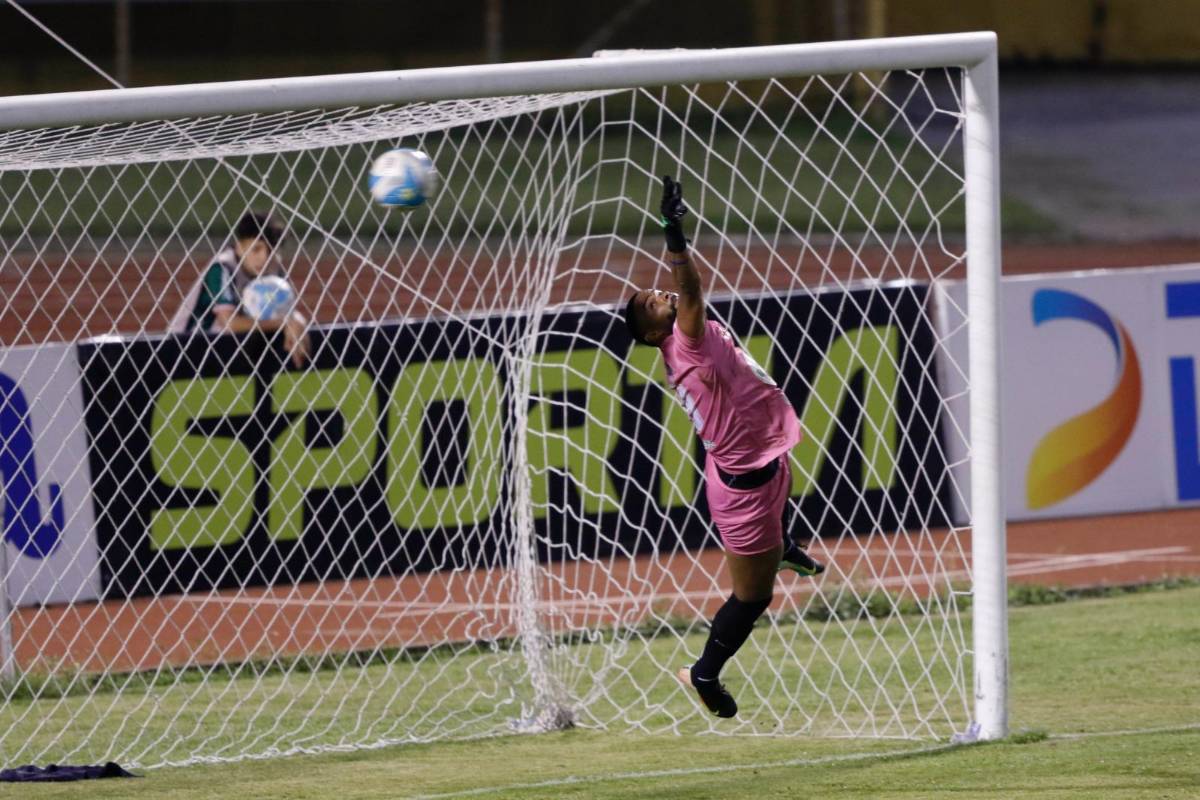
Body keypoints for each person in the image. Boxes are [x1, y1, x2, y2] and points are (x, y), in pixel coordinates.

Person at [624, 176, 825, 718]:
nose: (659, 295)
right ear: (650, 335)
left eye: (654, 291)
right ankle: (704, 671)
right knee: (754, 597)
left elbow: (687, 298)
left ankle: (781, 546)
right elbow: (689, 289)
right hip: (744, 492)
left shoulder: (688, 339)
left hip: (760, 465)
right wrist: (673, 232)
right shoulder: (683, 343)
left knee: (778, 487)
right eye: (650, 303)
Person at [169, 211, 310, 367]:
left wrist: (298, 322)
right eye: (256, 249)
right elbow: (230, 323)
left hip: (230, 346)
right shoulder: (222, 267)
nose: (264, 257)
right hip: (187, 345)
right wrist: (285, 322)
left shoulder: (273, 269)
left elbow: (287, 311)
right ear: (239, 247)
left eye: (271, 250)